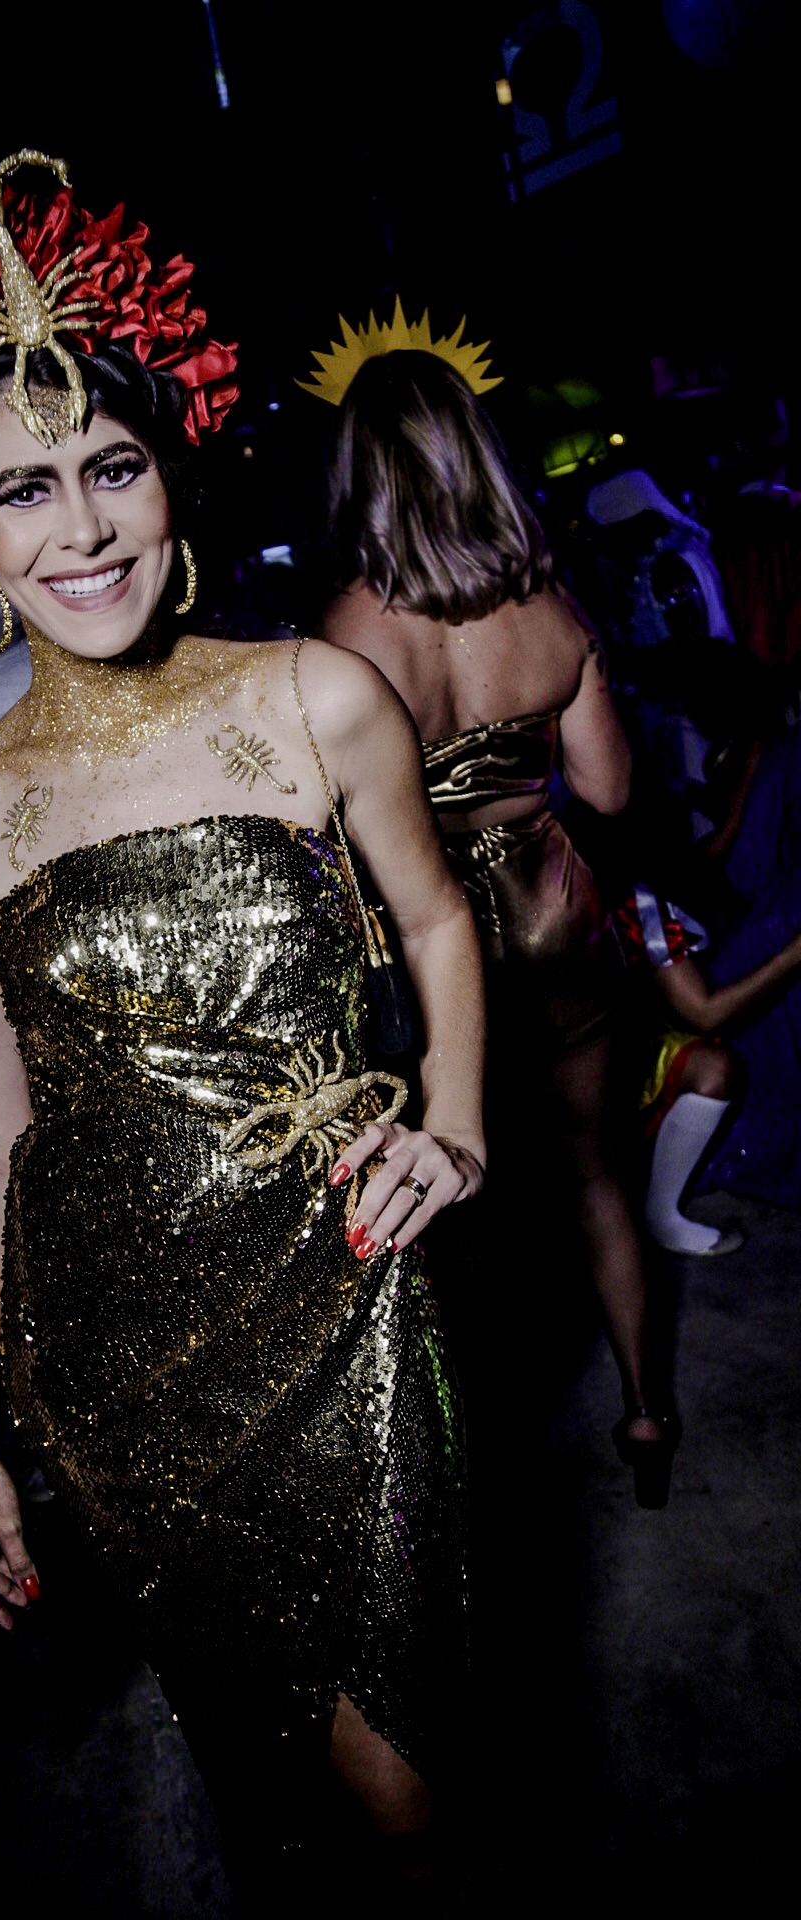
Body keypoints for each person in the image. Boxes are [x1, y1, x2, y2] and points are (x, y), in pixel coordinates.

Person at [0, 151, 487, 1901]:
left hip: (349, 1305)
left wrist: (459, 1122)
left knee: (410, 1783)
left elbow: (438, 917)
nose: (84, 527)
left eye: (112, 467)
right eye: (25, 489)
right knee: (267, 1766)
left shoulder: (317, 696)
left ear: (169, 477)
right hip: (115, 1374)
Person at [313, 334, 677, 1507]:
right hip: (554, 914)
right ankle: (644, 1412)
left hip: (429, 949)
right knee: (597, 1176)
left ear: (359, 473)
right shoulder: (549, 613)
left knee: (452, 1203)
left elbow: (324, 832)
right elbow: (609, 793)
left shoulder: (345, 634)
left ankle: (487, 1466)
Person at [603, 861, 801, 1253]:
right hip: (575, 1077)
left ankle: (653, 1210)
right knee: (711, 1067)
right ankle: (649, 1217)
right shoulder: (630, 900)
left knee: (712, 1066)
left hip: (597, 1059)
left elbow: (708, 859)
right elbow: (705, 1013)